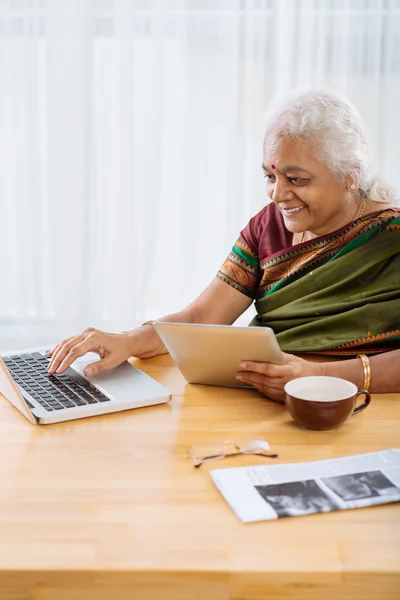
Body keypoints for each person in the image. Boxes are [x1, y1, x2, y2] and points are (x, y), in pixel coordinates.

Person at [48, 90, 400, 403]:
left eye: (297, 179)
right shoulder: (268, 226)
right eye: (270, 176)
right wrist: (126, 340)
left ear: (351, 175)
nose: (277, 194)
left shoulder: (391, 236)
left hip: (356, 406)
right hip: (262, 397)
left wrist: (318, 377)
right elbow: (200, 318)